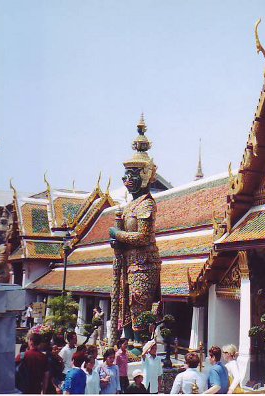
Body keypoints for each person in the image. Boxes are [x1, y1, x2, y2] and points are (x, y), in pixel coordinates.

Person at [109, 116, 161, 345]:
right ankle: (128, 340)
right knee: (125, 303)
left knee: (138, 302)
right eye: (126, 175)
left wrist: (117, 235)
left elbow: (143, 236)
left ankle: (139, 343)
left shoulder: (147, 204)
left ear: (144, 176)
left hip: (143, 263)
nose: (127, 179)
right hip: (128, 263)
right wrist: (117, 243)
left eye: (132, 175)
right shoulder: (130, 205)